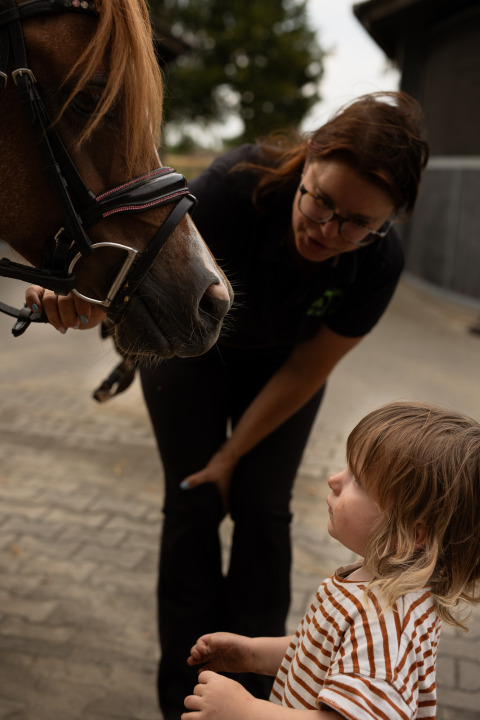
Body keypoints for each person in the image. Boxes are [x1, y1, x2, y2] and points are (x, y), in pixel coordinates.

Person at [27, 91, 429, 718]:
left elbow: (307, 367)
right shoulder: (235, 185)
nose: (327, 229)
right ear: (308, 158)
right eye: (320, 199)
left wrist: (233, 455)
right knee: (193, 502)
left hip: (284, 369)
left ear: (387, 223)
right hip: (189, 353)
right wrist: (78, 303)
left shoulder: (380, 263)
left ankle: (258, 702)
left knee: (261, 507)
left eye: (356, 224)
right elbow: (135, 284)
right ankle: (183, 700)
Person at [183, 401, 480, 720]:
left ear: (410, 534)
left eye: (359, 481)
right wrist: (252, 654)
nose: (334, 479)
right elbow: (324, 651)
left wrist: (245, 710)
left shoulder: (383, 623)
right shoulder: (376, 584)